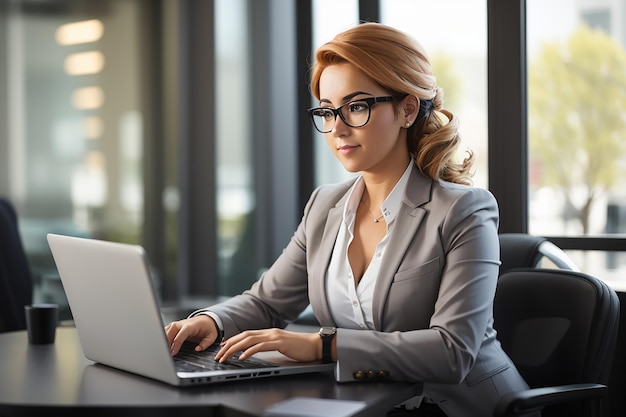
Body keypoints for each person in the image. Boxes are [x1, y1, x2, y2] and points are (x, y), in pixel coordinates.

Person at [165, 22, 534, 417]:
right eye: (326, 110)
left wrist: (323, 345)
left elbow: (452, 351)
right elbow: (267, 302)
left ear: (407, 108)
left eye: (356, 106)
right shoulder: (325, 205)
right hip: (371, 405)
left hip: (462, 408)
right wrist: (213, 321)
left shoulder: (465, 210)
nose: (337, 127)